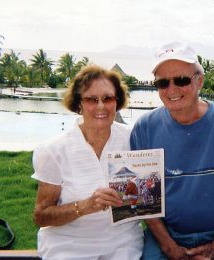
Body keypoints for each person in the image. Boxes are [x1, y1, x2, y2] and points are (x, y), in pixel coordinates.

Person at [130, 42, 214, 260]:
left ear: (199, 81)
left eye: (181, 80)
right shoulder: (144, 128)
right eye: (163, 83)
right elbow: (144, 201)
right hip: (165, 238)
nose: (171, 90)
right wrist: (171, 249)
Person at [32, 65, 143, 259]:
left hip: (122, 241)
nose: (101, 106)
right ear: (78, 104)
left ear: (117, 102)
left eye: (108, 98)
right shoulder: (53, 150)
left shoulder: (134, 139)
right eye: (92, 99)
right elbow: (41, 216)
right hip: (68, 242)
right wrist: (86, 206)